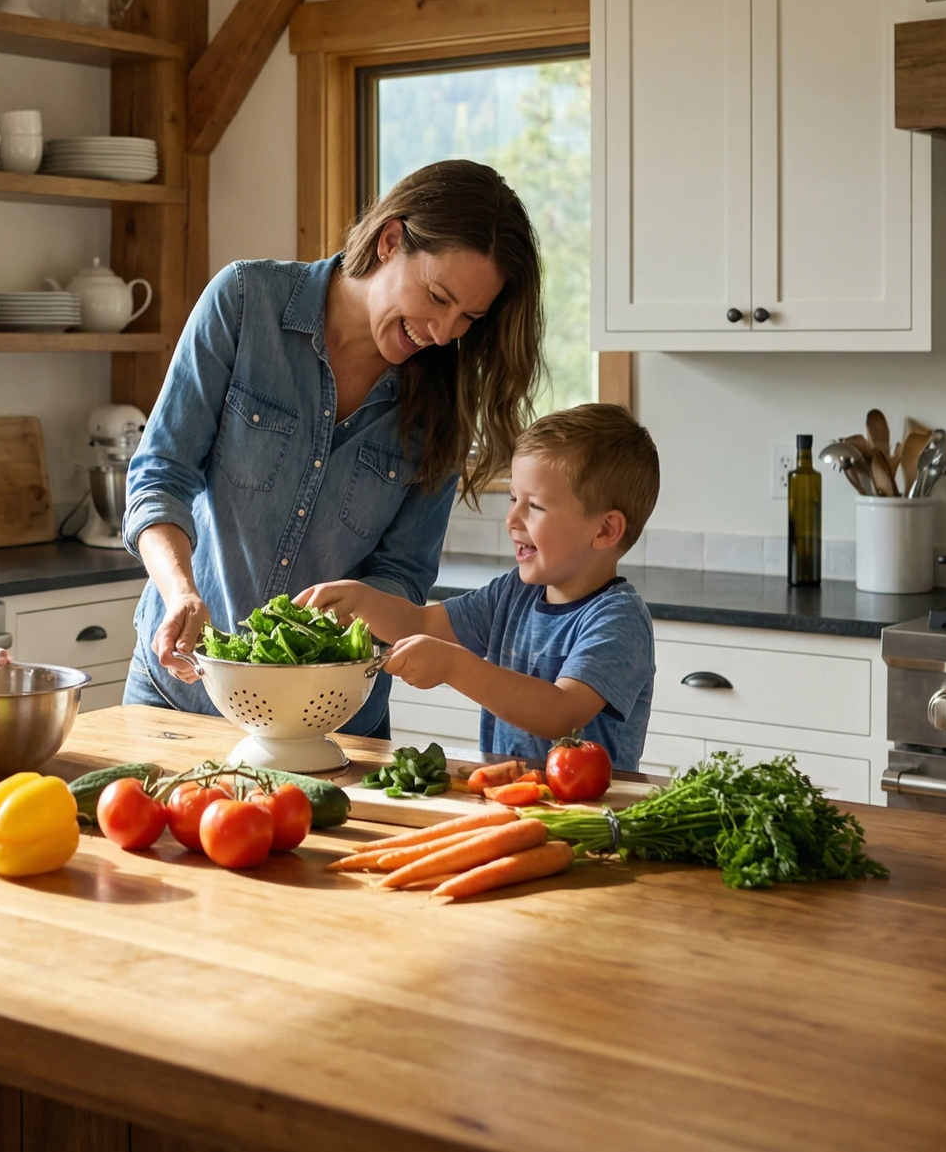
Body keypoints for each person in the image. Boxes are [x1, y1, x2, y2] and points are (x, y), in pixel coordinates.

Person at [121, 159, 546, 737]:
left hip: (334, 721)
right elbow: (160, 476)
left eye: (468, 316)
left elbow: (403, 572)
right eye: (437, 297)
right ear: (391, 240)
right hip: (182, 694)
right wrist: (181, 593)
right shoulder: (246, 303)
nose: (445, 332)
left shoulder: (443, 408)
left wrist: (365, 605)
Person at [300, 403, 660, 770]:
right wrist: (359, 599)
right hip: (510, 799)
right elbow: (420, 624)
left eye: (534, 506)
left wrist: (453, 667)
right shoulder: (513, 594)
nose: (512, 519)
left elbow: (563, 715)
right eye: (512, 499)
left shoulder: (618, 619)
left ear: (604, 530)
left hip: (588, 814)